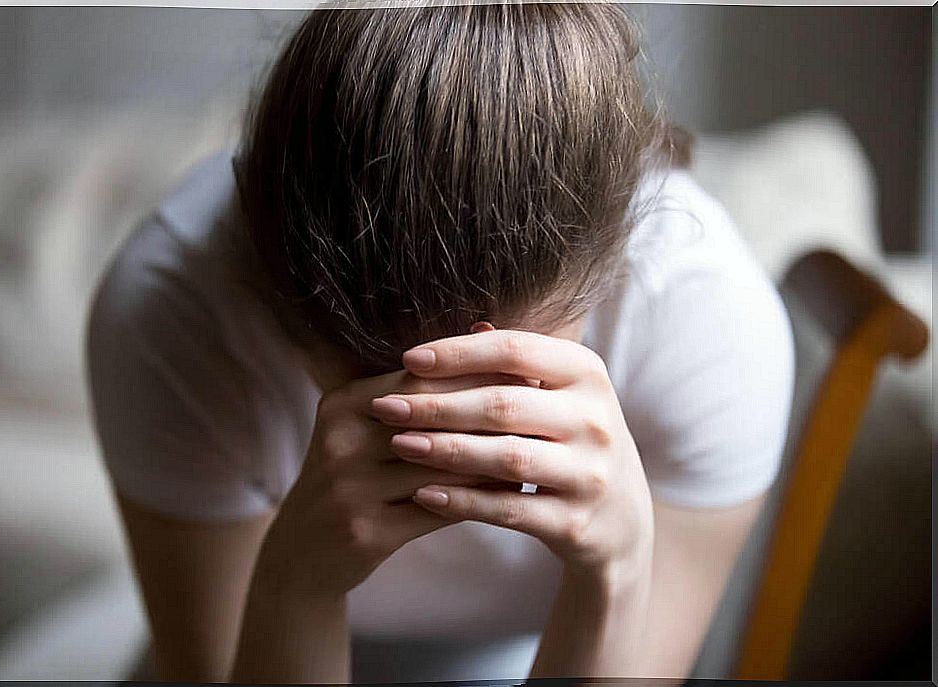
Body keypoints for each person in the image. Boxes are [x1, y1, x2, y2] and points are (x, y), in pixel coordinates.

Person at [86, 3, 794, 683]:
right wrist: (294, 585)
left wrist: (617, 569)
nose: (441, 435)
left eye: (501, 383)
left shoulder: (709, 320)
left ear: (602, 279)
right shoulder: (173, 308)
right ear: (279, 290)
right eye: (373, 393)